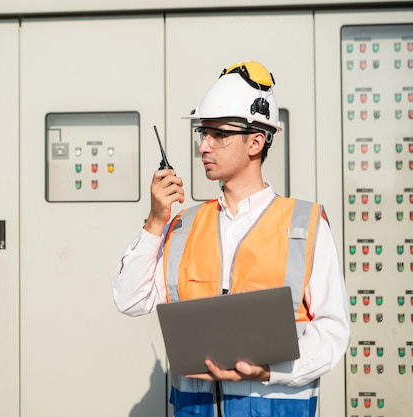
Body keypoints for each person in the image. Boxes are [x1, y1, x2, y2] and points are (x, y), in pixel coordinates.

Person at [113, 61, 350, 417]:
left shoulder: (305, 224)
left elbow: (333, 332)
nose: (203, 147)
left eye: (218, 135)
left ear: (256, 141)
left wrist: (270, 371)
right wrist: (155, 220)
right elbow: (130, 300)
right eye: (202, 134)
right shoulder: (183, 226)